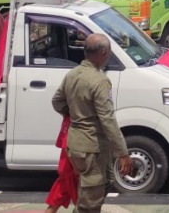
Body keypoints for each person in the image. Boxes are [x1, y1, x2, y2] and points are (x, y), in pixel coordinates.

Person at [51, 34, 133, 213]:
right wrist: (123, 153)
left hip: (75, 144)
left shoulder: (72, 75)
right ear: (104, 53)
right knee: (90, 202)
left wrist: (75, 114)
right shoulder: (99, 81)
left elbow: (57, 101)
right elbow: (108, 119)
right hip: (91, 147)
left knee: (101, 185)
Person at [45, 115, 78, 213]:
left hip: (65, 169)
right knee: (83, 204)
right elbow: (69, 148)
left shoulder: (67, 120)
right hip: (71, 171)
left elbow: (62, 143)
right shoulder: (74, 122)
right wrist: (77, 168)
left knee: (54, 204)